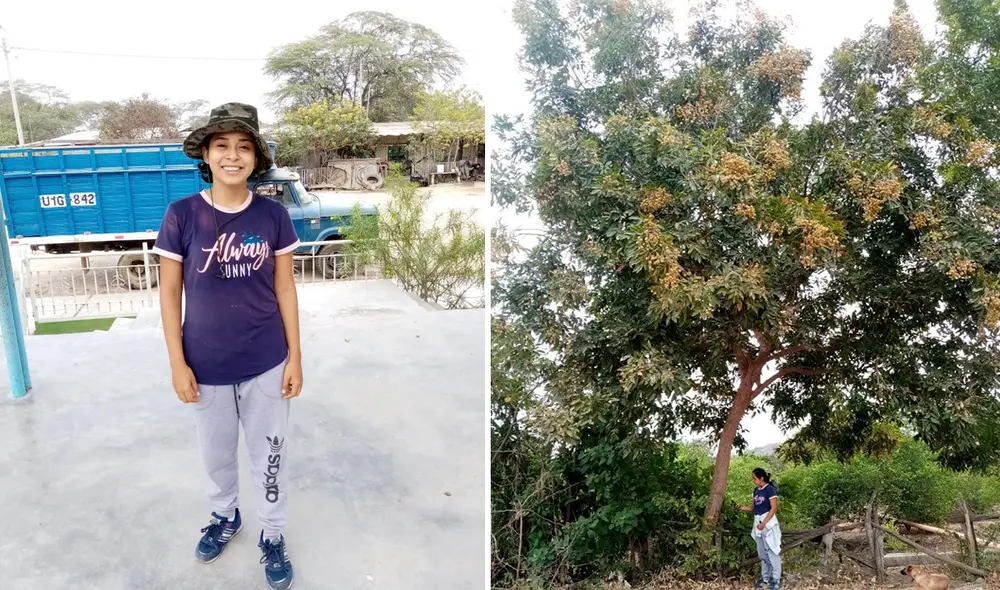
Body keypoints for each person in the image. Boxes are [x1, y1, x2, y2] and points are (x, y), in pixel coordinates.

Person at [152, 102, 303, 590]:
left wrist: (295, 357)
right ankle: (225, 517)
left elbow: (285, 288)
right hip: (205, 363)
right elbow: (170, 293)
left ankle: (273, 535)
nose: (233, 156)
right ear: (207, 154)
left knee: (270, 455)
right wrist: (177, 363)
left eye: (244, 147)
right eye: (222, 146)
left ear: (257, 158)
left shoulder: (274, 215)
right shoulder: (182, 215)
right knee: (216, 455)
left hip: (266, 361)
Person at [732, 468, 782, 590]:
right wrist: (739, 508)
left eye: (754, 478)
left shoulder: (770, 490)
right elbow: (753, 508)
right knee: (762, 553)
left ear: (761, 478)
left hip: (768, 523)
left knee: (772, 551)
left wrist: (764, 523)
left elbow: (774, 508)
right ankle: (765, 578)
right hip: (758, 523)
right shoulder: (756, 491)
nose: (753, 481)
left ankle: (776, 579)